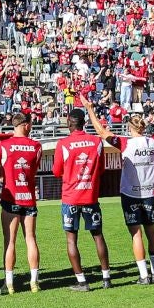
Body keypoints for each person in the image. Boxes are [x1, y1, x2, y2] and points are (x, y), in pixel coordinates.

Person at [89, 101, 154, 284]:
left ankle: (143, 275)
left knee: (136, 235)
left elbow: (102, 132)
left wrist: (91, 110)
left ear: (129, 127)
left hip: (130, 194)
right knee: (152, 233)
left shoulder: (125, 143)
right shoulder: (153, 142)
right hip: (149, 194)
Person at [53, 108, 112, 291]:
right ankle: (106, 279)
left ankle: (82, 282)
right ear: (84, 123)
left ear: (70, 122)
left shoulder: (63, 144)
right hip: (90, 197)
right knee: (98, 236)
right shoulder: (96, 142)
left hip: (71, 197)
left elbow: (56, 171)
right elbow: (101, 169)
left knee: (72, 240)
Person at [0, 112, 42, 293]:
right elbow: (34, 170)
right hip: (28, 198)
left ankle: (10, 284)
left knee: (10, 241)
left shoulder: (3, 146)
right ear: (25, 125)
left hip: (10, 199)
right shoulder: (36, 146)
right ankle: (34, 282)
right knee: (30, 238)